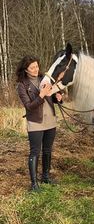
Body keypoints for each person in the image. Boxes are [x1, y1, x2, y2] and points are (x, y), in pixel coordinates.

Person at [16, 55, 62, 191]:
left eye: (37, 66)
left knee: (48, 150)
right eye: (32, 67)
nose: (36, 69)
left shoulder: (44, 79)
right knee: (35, 151)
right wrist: (41, 95)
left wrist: (57, 97)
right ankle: (34, 184)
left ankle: (46, 177)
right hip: (35, 122)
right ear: (26, 70)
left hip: (50, 120)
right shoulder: (22, 85)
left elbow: (51, 97)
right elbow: (29, 106)